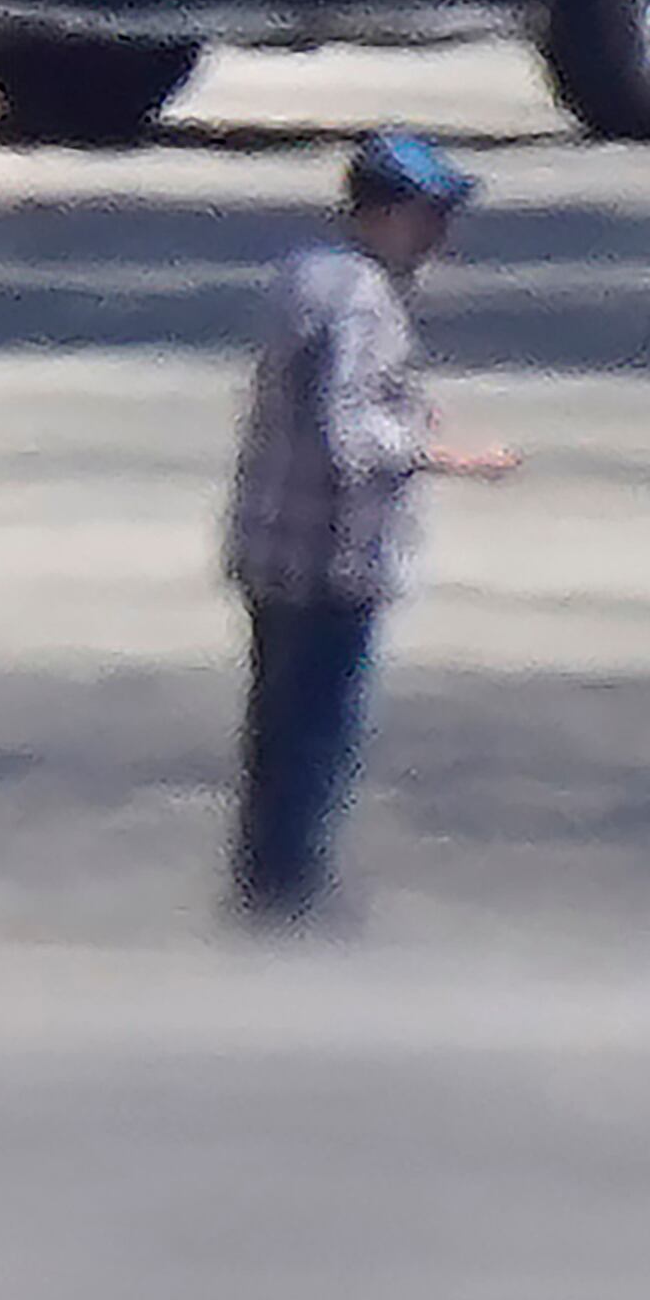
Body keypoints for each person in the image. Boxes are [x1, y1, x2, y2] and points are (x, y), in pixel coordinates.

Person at [216, 128, 518, 927]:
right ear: (388, 212)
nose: (440, 235)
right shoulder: (366, 301)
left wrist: (405, 408)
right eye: (431, 215)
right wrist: (444, 452)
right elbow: (345, 431)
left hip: (270, 548)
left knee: (273, 738)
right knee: (318, 742)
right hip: (332, 559)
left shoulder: (306, 276)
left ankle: (261, 890)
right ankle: (291, 903)